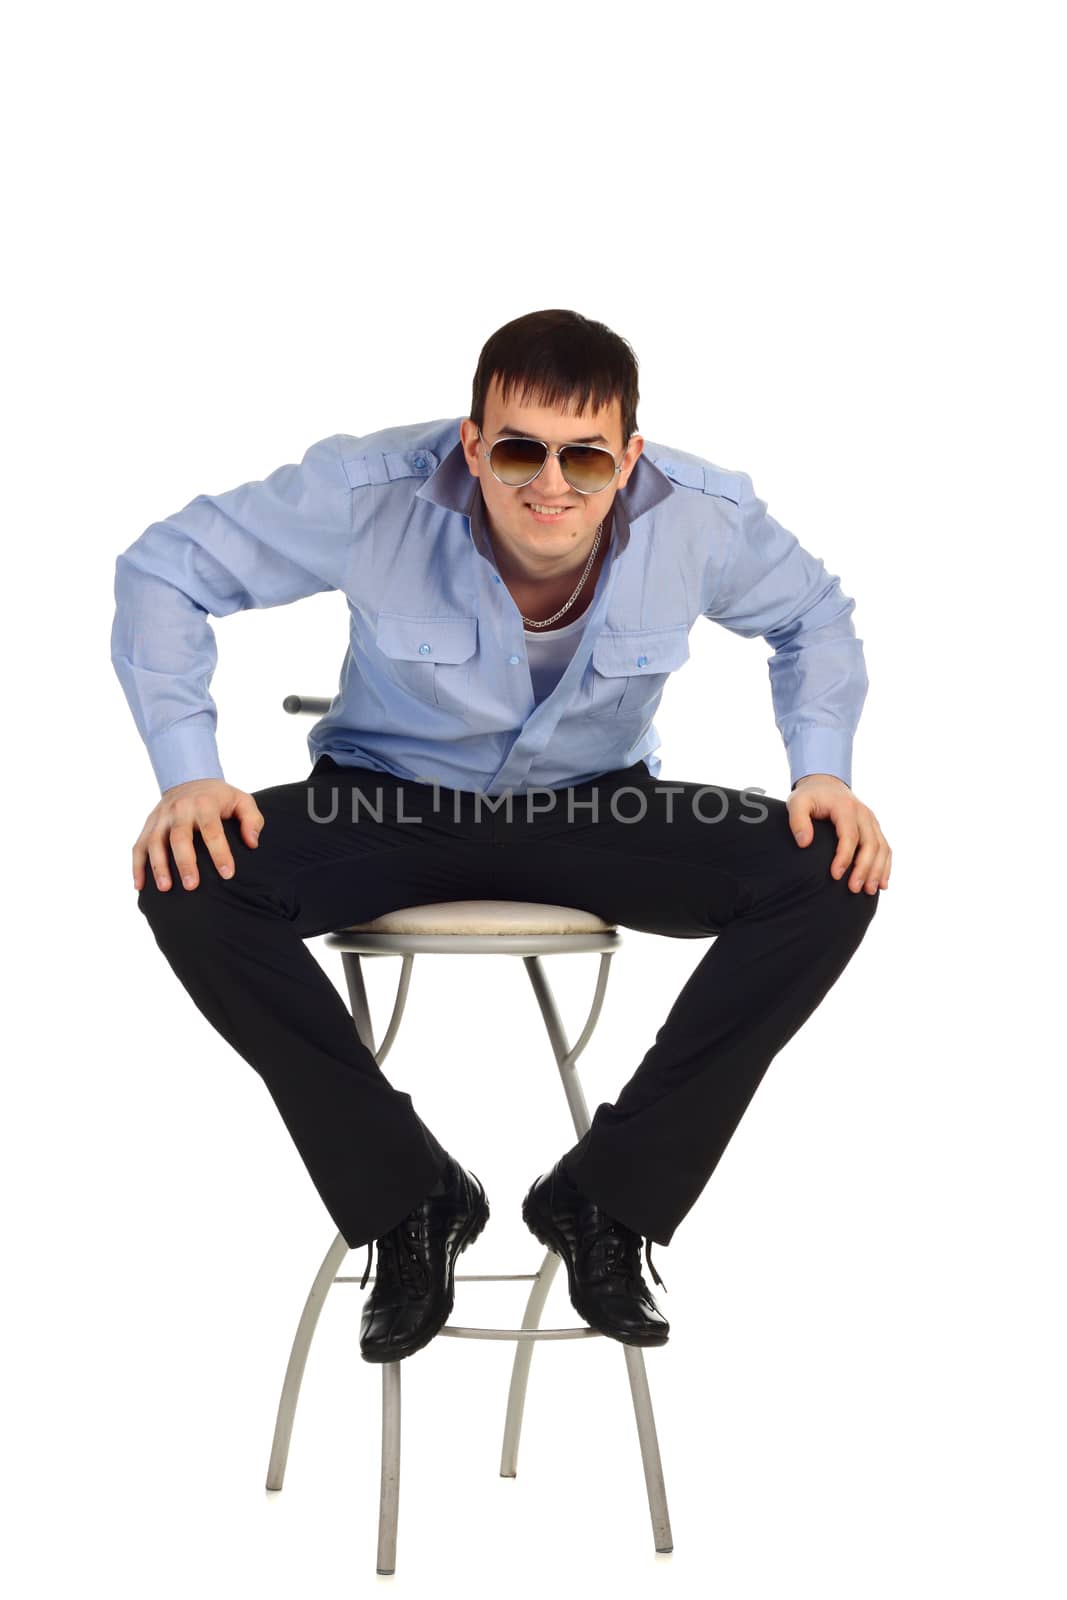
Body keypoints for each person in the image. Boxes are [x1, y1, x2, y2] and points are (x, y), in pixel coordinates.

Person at [112, 308, 891, 1365]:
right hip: (388, 800)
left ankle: (605, 1200)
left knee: (828, 875)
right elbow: (164, 568)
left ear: (630, 459)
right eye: (518, 449)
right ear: (473, 444)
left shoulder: (701, 517)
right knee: (188, 877)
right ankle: (410, 1200)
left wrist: (822, 772)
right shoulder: (368, 491)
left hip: (595, 807)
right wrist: (190, 774)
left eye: (585, 457)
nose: (550, 485)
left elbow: (812, 613)